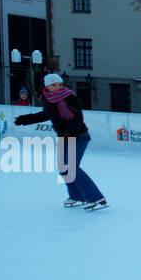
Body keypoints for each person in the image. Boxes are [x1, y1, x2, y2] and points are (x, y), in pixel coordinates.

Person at [13, 73, 108, 211]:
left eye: (60, 84)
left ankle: (95, 198)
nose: (57, 87)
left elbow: (78, 118)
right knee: (64, 168)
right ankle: (77, 196)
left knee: (71, 167)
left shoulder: (69, 97)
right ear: (46, 86)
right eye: (53, 85)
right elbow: (45, 114)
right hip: (64, 137)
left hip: (78, 136)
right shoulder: (48, 99)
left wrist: (69, 133)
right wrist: (25, 119)